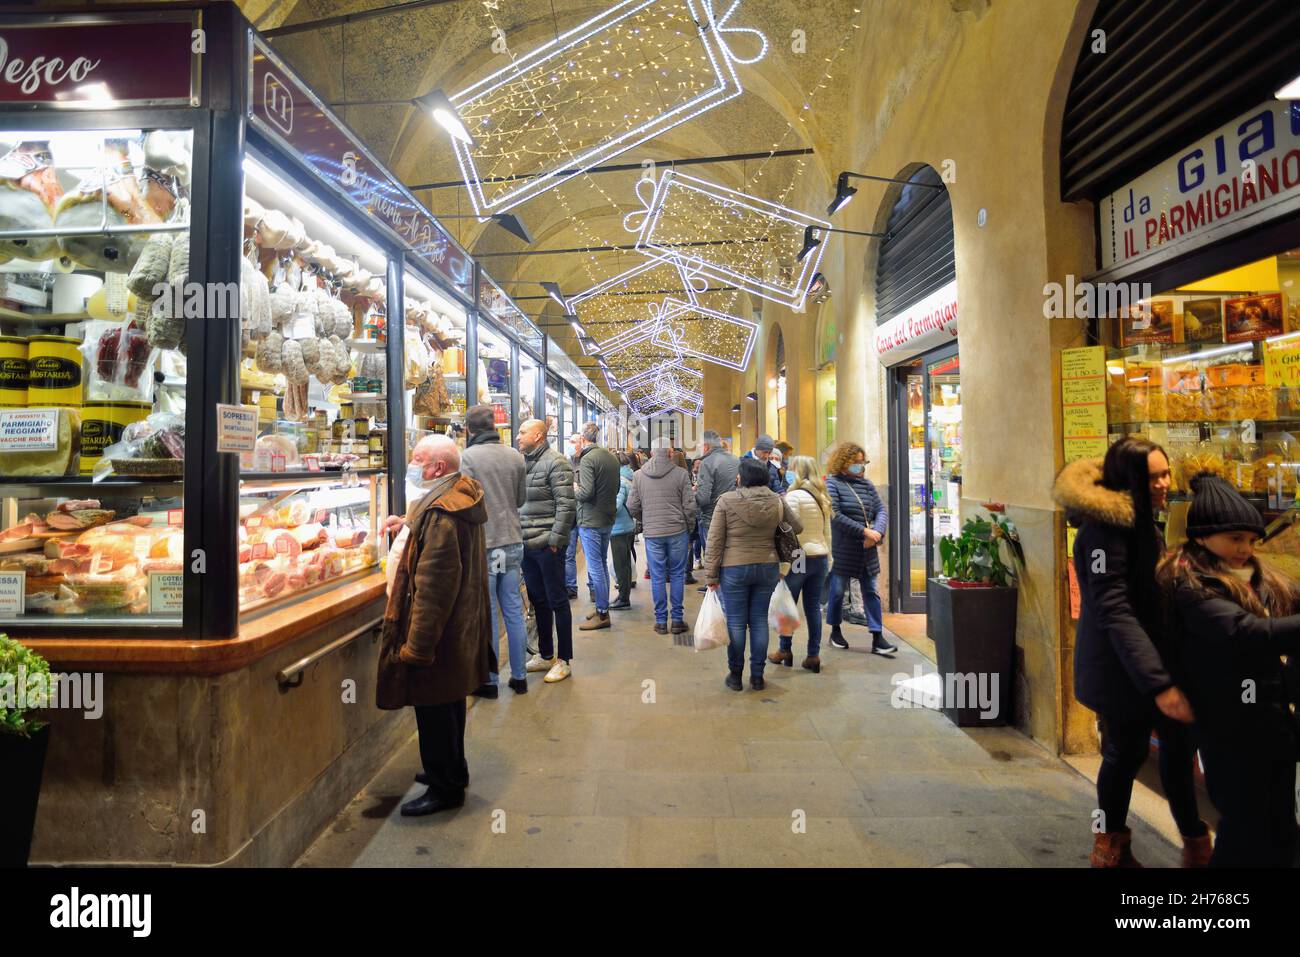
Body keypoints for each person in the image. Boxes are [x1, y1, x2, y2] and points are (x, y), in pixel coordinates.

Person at [1052, 438, 1210, 868]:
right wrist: (1158, 683)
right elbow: (1114, 610)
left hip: (1156, 661)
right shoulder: (1104, 532)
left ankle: (1196, 841)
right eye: (1153, 476)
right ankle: (1108, 840)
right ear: (1128, 480)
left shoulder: (1142, 520)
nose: (1164, 483)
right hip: (1120, 669)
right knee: (1123, 756)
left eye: (1165, 473)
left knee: (1178, 750)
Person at [1156, 473, 1299, 867]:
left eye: (1252, 540)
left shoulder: (1255, 576)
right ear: (1202, 537)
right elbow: (1244, 632)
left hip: (1269, 715)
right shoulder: (1191, 583)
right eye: (1235, 539)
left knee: (1281, 824)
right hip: (1226, 719)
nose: (1245, 549)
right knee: (1244, 824)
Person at [376, 435, 490, 816]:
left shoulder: (442, 514)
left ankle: (446, 789)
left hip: (439, 635)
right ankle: (451, 771)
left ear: (437, 467)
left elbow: (434, 589)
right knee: (450, 704)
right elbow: (431, 525)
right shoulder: (457, 495)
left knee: (435, 708)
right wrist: (409, 523)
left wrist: (417, 647)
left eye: (417, 459)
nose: (412, 464)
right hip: (458, 628)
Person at [705, 458, 801, 691]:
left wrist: (711, 576)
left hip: (734, 568)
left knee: (737, 623)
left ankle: (735, 676)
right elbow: (796, 527)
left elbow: (715, 540)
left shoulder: (727, 501)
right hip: (768, 566)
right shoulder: (777, 501)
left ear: (742, 478)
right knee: (758, 621)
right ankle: (757, 676)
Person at [460, 405, 528, 697]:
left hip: (485, 545)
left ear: (468, 430)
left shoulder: (468, 458)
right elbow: (521, 499)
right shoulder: (515, 456)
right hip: (512, 541)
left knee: (487, 614)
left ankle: (488, 682)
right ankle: (520, 676)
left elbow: (464, 503)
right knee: (513, 609)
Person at [516, 418, 577, 683]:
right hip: (527, 544)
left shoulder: (556, 462)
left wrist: (555, 540)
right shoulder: (524, 463)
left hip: (548, 546)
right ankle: (545, 654)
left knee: (557, 601)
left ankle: (564, 660)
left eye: (522, 432)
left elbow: (566, 505)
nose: (518, 436)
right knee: (537, 601)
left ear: (539, 435)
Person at [824, 442, 897, 655]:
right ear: (843, 462)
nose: (860, 466)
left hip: (868, 548)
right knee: (837, 592)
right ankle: (835, 630)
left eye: (862, 462)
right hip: (845, 548)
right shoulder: (832, 484)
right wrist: (865, 532)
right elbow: (836, 515)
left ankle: (877, 635)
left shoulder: (866, 485)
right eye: (856, 462)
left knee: (871, 591)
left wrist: (877, 533)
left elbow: (881, 511)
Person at [628, 436, 697, 635]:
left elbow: (632, 506)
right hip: (677, 532)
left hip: (653, 533)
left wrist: (646, 520)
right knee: (676, 574)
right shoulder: (682, 474)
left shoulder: (639, 475)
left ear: (651, 454)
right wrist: (688, 526)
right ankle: (677, 620)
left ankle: (660, 621)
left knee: (657, 576)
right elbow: (690, 507)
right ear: (670, 452)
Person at [770, 455, 832, 673]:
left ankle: (784, 650)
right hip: (820, 557)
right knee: (813, 607)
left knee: (787, 604)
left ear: (797, 471)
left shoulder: (794, 497)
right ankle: (813, 655)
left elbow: (788, 533)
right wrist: (829, 558)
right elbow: (827, 532)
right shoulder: (822, 497)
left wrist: (782, 566)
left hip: (800, 558)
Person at [573, 421, 621, 631]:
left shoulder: (587, 459)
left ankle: (602, 613)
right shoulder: (611, 457)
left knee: (596, 567)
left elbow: (586, 493)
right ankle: (602, 608)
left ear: (583, 439)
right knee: (601, 563)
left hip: (590, 520)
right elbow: (617, 487)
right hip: (607, 517)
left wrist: (574, 488)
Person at [695, 429, 740, 593]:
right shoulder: (736, 460)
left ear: (706, 445)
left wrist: (692, 496)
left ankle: (714, 588)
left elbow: (704, 497)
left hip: (711, 517)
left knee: (713, 555)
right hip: (735, 515)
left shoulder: (707, 463)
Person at [609, 451, 636, 611]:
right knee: (624, 564)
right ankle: (623, 596)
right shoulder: (629, 477)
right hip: (627, 526)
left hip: (619, 528)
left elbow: (616, 506)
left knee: (621, 565)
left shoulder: (618, 481)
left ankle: (623, 598)